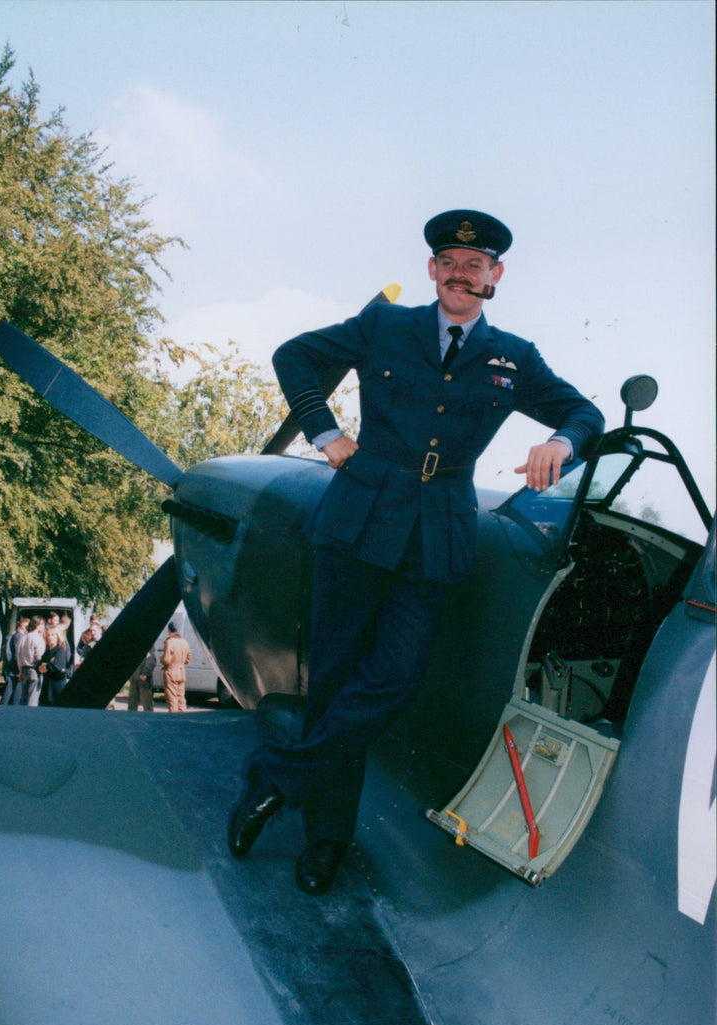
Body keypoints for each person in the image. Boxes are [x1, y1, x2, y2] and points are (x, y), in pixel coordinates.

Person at [228, 208, 605, 896]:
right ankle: (326, 840)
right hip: (359, 516)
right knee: (337, 680)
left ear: (496, 276)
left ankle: (275, 778)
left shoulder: (514, 357)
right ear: (433, 270)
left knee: (395, 681)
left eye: (476, 263)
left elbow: (586, 414)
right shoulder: (385, 326)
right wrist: (324, 432)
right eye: (450, 262)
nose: (462, 273)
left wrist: (560, 442)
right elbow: (296, 356)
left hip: (437, 534)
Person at [161, 621, 190, 713]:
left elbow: (166, 660)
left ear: (169, 630)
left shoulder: (169, 642)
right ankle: (183, 718)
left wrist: (161, 659)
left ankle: (173, 719)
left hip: (171, 672)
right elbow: (188, 659)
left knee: (172, 698)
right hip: (181, 671)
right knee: (181, 698)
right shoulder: (184, 642)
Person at [18, 615, 46, 706]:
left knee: (23, 697)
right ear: (38, 624)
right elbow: (39, 656)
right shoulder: (38, 638)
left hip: (24, 669)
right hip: (34, 669)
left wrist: (20, 671)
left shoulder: (22, 638)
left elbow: (18, 656)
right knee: (33, 698)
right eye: (42, 624)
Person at [0, 614, 29, 705]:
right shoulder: (19, 637)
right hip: (15, 670)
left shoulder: (14, 635)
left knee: (9, 692)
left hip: (12, 670)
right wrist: (21, 669)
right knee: (13, 694)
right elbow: (18, 654)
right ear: (24, 625)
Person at [38, 627, 70, 705]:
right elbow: (39, 667)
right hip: (46, 687)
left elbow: (56, 666)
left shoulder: (60, 650)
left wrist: (47, 665)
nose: (50, 637)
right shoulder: (47, 652)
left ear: (57, 637)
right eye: (48, 635)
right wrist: (47, 665)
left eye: (53, 635)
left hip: (57, 686)